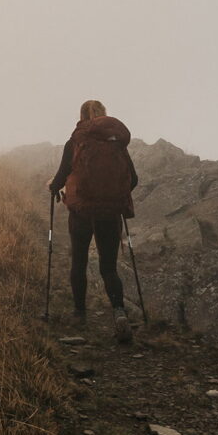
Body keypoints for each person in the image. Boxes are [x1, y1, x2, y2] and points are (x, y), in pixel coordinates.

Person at [49, 99, 139, 343]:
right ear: (105, 116)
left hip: (81, 212)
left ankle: (80, 314)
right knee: (108, 267)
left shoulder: (76, 140)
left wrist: (54, 186)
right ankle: (119, 313)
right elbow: (133, 179)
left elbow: (60, 177)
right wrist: (115, 196)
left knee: (79, 261)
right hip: (110, 213)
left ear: (81, 116)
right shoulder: (117, 143)